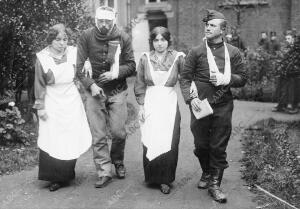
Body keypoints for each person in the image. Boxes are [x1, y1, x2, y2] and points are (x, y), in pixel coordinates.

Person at [179, 10, 247, 203]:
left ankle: (214, 184)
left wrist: (227, 78)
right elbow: (184, 78)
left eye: (212, 25)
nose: (207, 28)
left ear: (222, 30)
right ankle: (207, 172)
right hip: (200, 105)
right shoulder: (196, 51)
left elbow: (243, 79)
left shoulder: (233, 52)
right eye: (206, 25)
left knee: (218, 146)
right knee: (201, 146)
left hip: (223, 105)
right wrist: (190, 99)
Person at [76, 6, 136, 188]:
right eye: (100, 21)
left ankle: (117, 160)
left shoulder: (123, 37)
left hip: (117, 91)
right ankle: (104, 171)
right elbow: (79, 66)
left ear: (114, 20)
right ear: (95, 19)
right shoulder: (86, 36)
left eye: (107, 21)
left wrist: (115, 74)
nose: (103, 25)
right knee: (98, 134)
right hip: (94, 92)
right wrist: (91, 85)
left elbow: (132, 65)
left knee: (119, 132)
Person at [33, 24, 92, 192]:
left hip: (71, 99)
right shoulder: (42, 58)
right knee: (53, 136)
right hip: (52, 99)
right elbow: (39, 84)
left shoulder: (74, 53)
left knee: (69, 135)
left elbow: (84, 64)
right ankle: (53, 177)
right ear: (50, 40)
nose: (61, 43)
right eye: (57, 39)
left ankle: (66, 174)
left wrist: (87, 63)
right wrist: (40, 107)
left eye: (65, 39)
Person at [134, 26, 185, 194]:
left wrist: (193, 99)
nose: (160, 43)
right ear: (152, 42)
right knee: (151, 137)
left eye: (163, 39)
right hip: (150, 102)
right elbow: (140, 84)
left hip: (169, 103)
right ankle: (152, 177)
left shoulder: (178, 57)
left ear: (168, 41)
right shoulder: (145, 59)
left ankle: (165, 179)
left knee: (170, 140)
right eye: (156, 40)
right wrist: (141, 106)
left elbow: (186, 80)